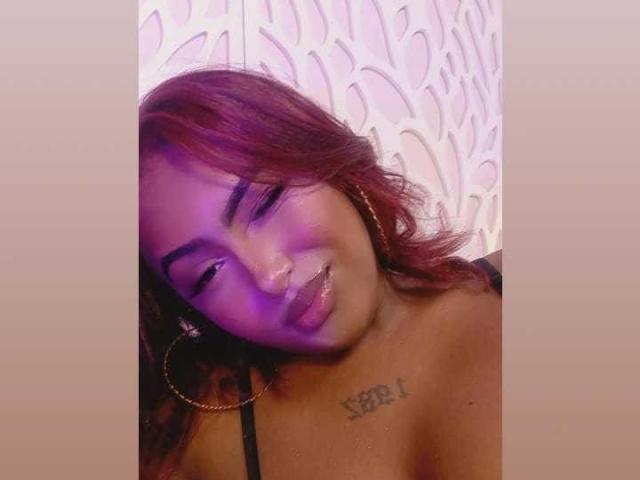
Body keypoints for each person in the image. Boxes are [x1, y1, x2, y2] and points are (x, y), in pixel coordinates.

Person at [139, 68, 502, 480]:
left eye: (266, 202)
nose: (269, 276)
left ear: (326, 161)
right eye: (207, 274)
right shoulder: (199, 436)